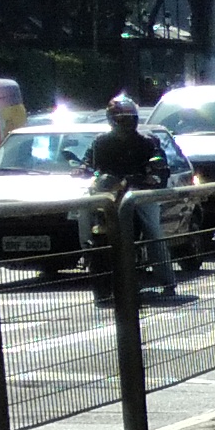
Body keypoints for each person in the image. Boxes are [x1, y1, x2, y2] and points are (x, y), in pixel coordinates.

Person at [83, 94, 180, 298]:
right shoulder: (101, 142)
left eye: (129, 118)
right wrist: (83, 169)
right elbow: (90, 163)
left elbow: (159, 162)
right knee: (83, 214)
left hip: (139, 192)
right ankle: (87, 252)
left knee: (153, 229)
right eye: (120, 119)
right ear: (111, 120)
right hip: (109, 192)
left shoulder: (147, 141)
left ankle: (167, 280)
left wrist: (154, 173)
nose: (125, 123)